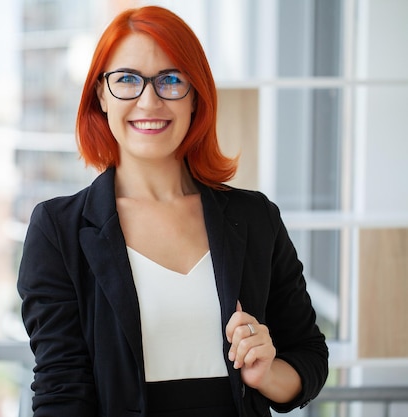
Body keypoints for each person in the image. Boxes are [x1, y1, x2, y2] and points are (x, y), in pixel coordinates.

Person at [17, 5, 328, 417]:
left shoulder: (255, 217)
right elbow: (61, 393)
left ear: (196, 96)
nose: (150, 100)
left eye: (171, 80)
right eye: (126, 79)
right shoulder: (59, 230)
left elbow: (309, 355)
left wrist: (266, 374)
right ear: (100, 95)